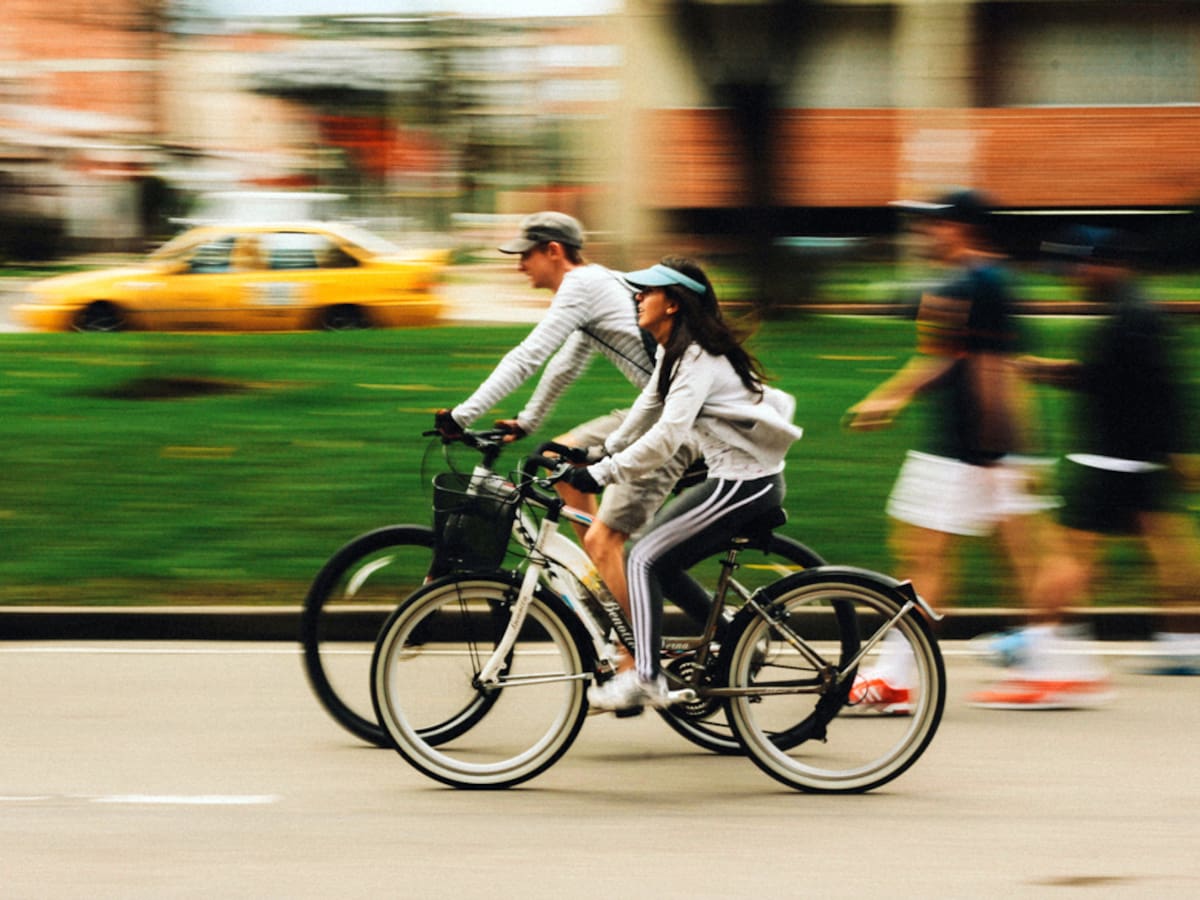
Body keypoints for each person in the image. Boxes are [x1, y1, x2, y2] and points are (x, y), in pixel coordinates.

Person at [842, 188, 1055, 713]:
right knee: (998, 557)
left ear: (961, 228)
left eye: (933, 224)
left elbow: (993, 368)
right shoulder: (975, 281)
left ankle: (898, 677)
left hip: (970, 450)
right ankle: (1050, 665)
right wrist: (889, 398)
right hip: (976, 449)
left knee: (932, 557)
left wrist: (995, 451)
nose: (924, 233)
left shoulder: (980, 282)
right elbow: (946, 359)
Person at [561, 257, 804, 712]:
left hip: (744, 485)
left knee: (643, 559)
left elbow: (667, 437)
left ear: (672, 303)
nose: (636, 297)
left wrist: (601, 473)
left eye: (646, 292)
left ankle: (646, 677)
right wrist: (599, 451)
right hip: (735, 481)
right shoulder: (676, 351)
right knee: (661, 563)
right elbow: (646, 409)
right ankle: (733, 636)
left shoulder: (697, 356)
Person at [970, 226, 1200, 707]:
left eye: (1078, 266)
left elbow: (1115, 383)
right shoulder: (1135, 308)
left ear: (1105, 262)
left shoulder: (1129, 317)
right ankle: (1182, 641)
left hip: (1110, 458)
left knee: (1066, 556)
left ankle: (1045, 662)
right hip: (1136, 458)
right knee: (1166, 546)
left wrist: (1041, 369)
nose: (1073, 277)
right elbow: (1138, 385)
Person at [434, 211, 700, 620]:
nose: (519, 265)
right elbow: (565, 365)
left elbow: (529, 356)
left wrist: (461, 416)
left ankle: (633, 649)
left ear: (553, 251)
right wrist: (526, 421)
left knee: (604, 537)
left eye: (526, 255)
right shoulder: (596, 284)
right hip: (661, 409)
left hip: (678, 422)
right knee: (560, 457)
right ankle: (603, 583)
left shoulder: (581, 285)